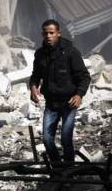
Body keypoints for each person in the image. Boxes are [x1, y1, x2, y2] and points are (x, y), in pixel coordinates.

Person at [29, 19, 91, 163]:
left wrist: (79, 94)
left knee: (65, 138)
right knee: (47, 139)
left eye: (52, 33)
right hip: (51, 104)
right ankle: (58, 168)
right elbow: (35, 75)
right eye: (45, 34)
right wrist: (33, 87)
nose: (48, 36)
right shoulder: (39, 54)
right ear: (42, 34)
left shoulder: (70, 52)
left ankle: (69, 168)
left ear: (58, 34)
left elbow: (84, 76)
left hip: (69, 103)